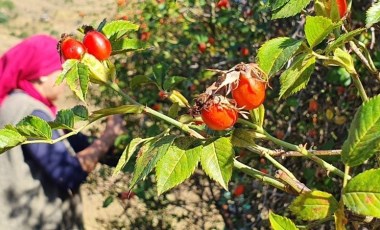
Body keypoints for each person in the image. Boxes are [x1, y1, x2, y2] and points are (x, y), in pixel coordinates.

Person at [0, 34, 124, 229]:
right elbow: (66, 172)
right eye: (62, 69)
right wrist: (109, 135)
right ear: (41, 73)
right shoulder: (29, 110)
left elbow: (76, 142)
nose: (66, 79)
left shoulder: (21, 103)